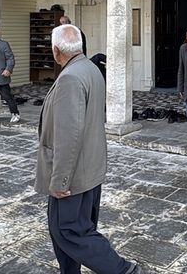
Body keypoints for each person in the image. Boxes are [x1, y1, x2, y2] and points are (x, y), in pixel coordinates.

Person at [34, 24, 142, 274]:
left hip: (73, 175)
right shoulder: (90, 68)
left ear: (56, 51)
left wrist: (60, 180)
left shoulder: (70, 77)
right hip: (89, 168)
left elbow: (68, 134)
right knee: (64, 229)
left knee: (70, 231)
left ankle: (122, 269)